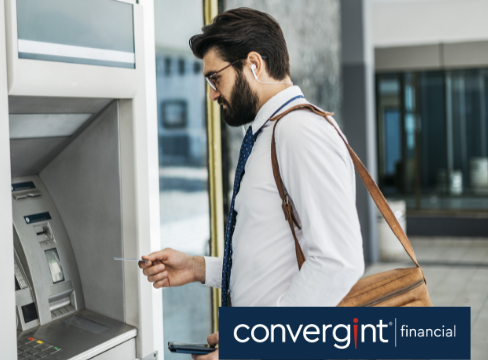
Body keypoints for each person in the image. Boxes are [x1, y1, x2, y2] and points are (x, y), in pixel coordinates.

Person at [139, 7, 365, 360]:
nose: (212, 94)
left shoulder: (299, 131)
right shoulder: (268, 132)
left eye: (216, 78)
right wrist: (199, 268)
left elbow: (338, 262)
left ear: (254, 64)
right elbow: (274, 256)